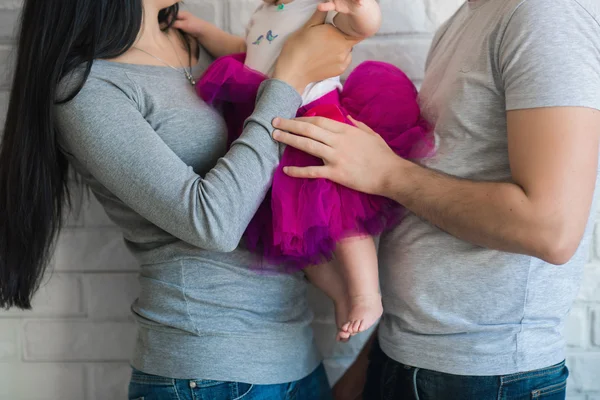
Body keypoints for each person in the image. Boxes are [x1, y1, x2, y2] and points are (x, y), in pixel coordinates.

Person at [0, 0, 356, 398]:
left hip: (297, 351)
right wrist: (288, 79)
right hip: (206, 373)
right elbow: (213, 224)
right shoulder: (88, 89)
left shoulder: (196, 41)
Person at [271, 0, 600, 398]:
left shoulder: (545, 14)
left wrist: (388, 173)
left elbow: (550, 228)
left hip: (481, 377)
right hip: (403, 355)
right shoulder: (467, 19)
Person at [175, 0, 432, 343]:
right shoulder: (264, 13)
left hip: (318, 123)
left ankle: (367, 295)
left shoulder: (317, 7)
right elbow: (244, 49)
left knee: (341, 216)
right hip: (273, 124)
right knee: (293, 232)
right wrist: (203, 30)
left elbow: (361, 27)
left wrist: (360, 7)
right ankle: (340, 294)